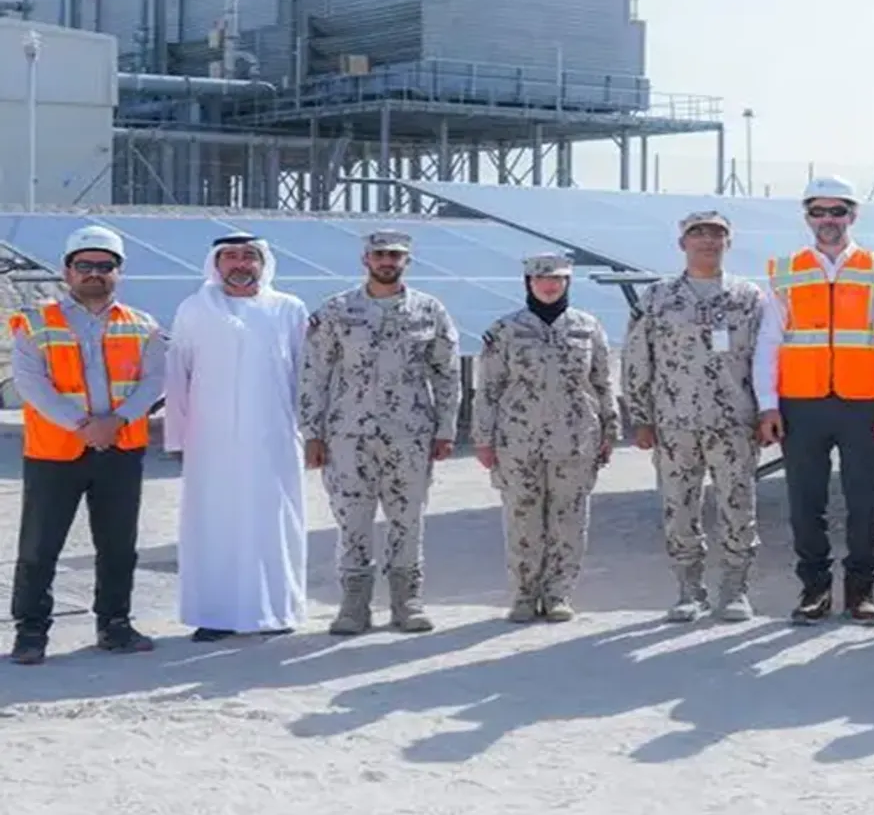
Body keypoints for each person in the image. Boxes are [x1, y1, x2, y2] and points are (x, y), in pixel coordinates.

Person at [754, 175, 874, 626]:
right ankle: (814, 591)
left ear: (853, 215)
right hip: (800, 404)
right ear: (807, 217)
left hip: (864, 403)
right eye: (817, 211)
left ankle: (861, 592)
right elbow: (769, 342)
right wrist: (768, 403)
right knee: (806, 501)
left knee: (865, 502)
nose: (827, 220)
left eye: (837, 211)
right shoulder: (785, 271)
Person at [8, 226, 167, 664]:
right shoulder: (35, 322)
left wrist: (116, 421)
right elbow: (31, 383)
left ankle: (115, 624)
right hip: (55, 452)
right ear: (67, 271)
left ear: (119, 272)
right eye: (85, 266)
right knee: (40, 546)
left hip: (119, 449)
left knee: (118, 543)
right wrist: (83, 424)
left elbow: (154, 380)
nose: (94, 274)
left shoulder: (143, 325)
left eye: (104, 266)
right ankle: (31, 631)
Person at [298, 229, 462, 636]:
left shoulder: (430, 311)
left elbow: (447, 374)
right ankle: (354, 604)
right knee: (352, 518)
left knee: (408, 518)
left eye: (395, 255)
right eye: (380, 254)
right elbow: (314, 374)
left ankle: (407, 602)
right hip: (348, 435)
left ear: (407, 261)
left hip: (410, 434)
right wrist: (312, 432)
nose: (387, 261)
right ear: (365, 259)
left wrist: (445, 428)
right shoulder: (337, 311)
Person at [164, 233, 311, 642]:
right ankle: (214, 614)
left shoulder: (288, 309)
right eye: (230, 256)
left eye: (249, 257)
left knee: (273, 524)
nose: (240, 264)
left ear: (264, 264)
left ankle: (276, 610)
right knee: (213, 524)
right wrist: (176, 438)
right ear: (216, 263)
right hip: (209, 443)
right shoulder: (194, 310)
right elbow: (177, 376)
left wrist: (312, 433)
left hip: (274, 440)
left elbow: (306, 375)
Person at [625, 211, 767, 622]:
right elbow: (637, 358)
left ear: (729, 242)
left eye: (717, 234)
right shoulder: (657, 297)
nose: (707, 241)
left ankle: (735, 590)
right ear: (682, 243)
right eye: (698, 234)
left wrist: (767, 412)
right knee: (678, 508)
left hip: (735, 423)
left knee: (739, 508)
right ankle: (689, 590)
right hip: (675, 424)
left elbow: (765, 360)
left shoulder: (749, 297)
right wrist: (641, 416)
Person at [473, 253, 618, 623]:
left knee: (568, 519)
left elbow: (602, 382)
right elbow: (488, 387)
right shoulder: (505, 330)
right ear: (528, 283)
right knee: (523, 518)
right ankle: (524, 595)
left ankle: (558, 594)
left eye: (557, 279)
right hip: (518, 440)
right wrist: (483, 440)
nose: (549, 285)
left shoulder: (587, 327)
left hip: (576, 439)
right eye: (541, 279)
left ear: (568, 282)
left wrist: (609, 430)